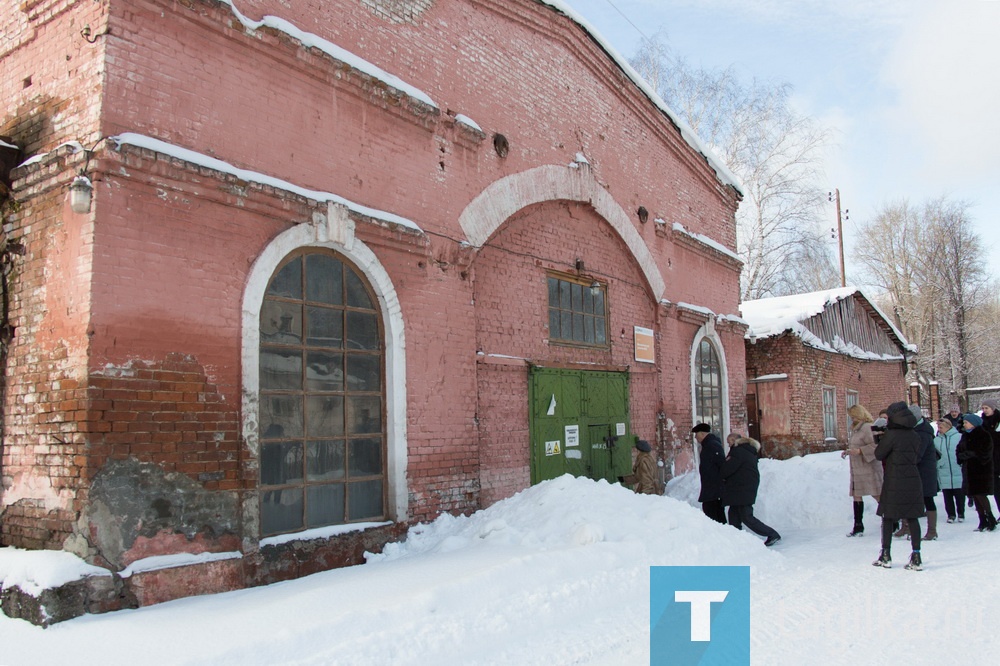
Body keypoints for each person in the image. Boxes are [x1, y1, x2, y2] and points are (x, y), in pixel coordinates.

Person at [872, 401, 924, 571]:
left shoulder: (892, 434)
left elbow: (879, 454)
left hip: (894, 480)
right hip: (913, 480)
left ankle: (885, 555)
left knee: (888, 517)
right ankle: (916, 556)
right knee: (912, 517)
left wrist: (879, 439)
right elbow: (917, 458)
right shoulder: (915, 435)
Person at [721, 436, 781, 546]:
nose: (728, 444)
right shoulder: (747, 451)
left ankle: (772, 534)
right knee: (734, 514)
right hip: (742, 488)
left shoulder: (738, 452)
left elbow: (727, 469)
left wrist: (720, 471)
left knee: (746, 516)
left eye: (729, 442)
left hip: (741, 489)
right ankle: (736, 539)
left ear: (735, 441)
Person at [842, 404, 882, 537]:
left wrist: (860, 451)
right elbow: (855, 445)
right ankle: (858, 525)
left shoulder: (867, 428)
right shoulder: (856, 430)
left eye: (853, 416)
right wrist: (848, 451)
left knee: (876, 494)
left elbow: (876, 445)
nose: (851, 419)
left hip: (868, 466)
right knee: (856, 495)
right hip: (857, 467)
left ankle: (890, 520)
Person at [956, 413, 997, 532]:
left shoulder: (983, 435)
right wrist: (960, 456)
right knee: (975, 495)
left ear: (973, 423)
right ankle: (982, 520)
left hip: (981, 471)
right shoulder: (965, 435)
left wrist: (969, 454)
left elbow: (986, 453)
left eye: (966, 422)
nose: (964, 424)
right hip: (968, 470)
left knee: (980, 494)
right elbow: (959, 449)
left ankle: (990, 518)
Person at [693, 423, 726, 524]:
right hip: (711, 487)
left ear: (702, 434)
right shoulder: (709, 444)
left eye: (696, 434)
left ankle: (722, 534)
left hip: (714, 488)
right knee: (713, 512)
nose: (695, 437)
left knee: (713, 513)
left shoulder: (712, 445)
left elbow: (721, 464)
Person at [934, 417, 965, 523]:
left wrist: (961, 461)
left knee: (959, 493)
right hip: (943, 470)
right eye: (938, 427)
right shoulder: (936, 440)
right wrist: (938, 463)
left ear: (948, 427)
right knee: (947, 494)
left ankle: (961, 513)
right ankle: (951, 514)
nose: (939, 429)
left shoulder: (959, 437)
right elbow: (934, 455)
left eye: (941, 427)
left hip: (957, 468)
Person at [979, 399, 1000, 516]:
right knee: (996, 489)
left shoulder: (998, 420)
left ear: (993, 408)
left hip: (998, 457)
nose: (984, 410)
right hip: (990, 460)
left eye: (987, 408)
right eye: (983, 408)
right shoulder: (982, 422)